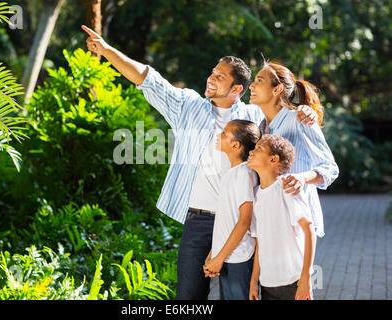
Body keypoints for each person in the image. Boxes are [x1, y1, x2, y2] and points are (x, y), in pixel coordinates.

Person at [81, 25, 318, 300]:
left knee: (238, 295)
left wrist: (304, 111)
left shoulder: (255, 116)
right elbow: (147, 78)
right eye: (212, 73)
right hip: (198, 220)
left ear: (237, 88)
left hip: (239, 222)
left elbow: (281, 116)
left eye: (220, 76)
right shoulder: (188, 105)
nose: (211, 79)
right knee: (188, 298)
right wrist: (107, 50)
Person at [248, 61, 339, 238]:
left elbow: (330, 168)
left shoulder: (300, 119)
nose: (252, 85)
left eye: (259, 80)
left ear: (277, 89)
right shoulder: (260, 127)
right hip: (269, 220)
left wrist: (302, 178)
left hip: (297, 223)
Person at [247, 134, 316, 300]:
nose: (251, 152)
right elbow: (259, 241)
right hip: (268, 283)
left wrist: (305, 277)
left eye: (258, 149)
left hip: (294, 281)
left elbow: (309, 231)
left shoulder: (286, 187)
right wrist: (254, 281)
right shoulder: (255, 195)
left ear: (273, 159)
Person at [202, 119, 260, 300]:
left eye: (224, 133)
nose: (219, 135)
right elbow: (226, 220)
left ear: (235, 145)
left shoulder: (244, 174)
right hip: (227, 257)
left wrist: (219, 259)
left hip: (239, 258)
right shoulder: (232, 173)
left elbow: (244, 222)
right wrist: (214, 254)